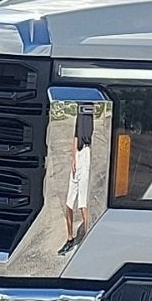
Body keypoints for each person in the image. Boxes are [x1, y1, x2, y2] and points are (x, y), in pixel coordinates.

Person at [58, 103, 95, 256]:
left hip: (85, 152)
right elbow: (75, 133)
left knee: (82, 203)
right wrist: (73, 157)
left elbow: (86, 135)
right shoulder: (80, 108)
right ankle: (70, 237)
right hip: (78, 154)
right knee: (68, 202)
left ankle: (88, 239)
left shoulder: (88, 108)